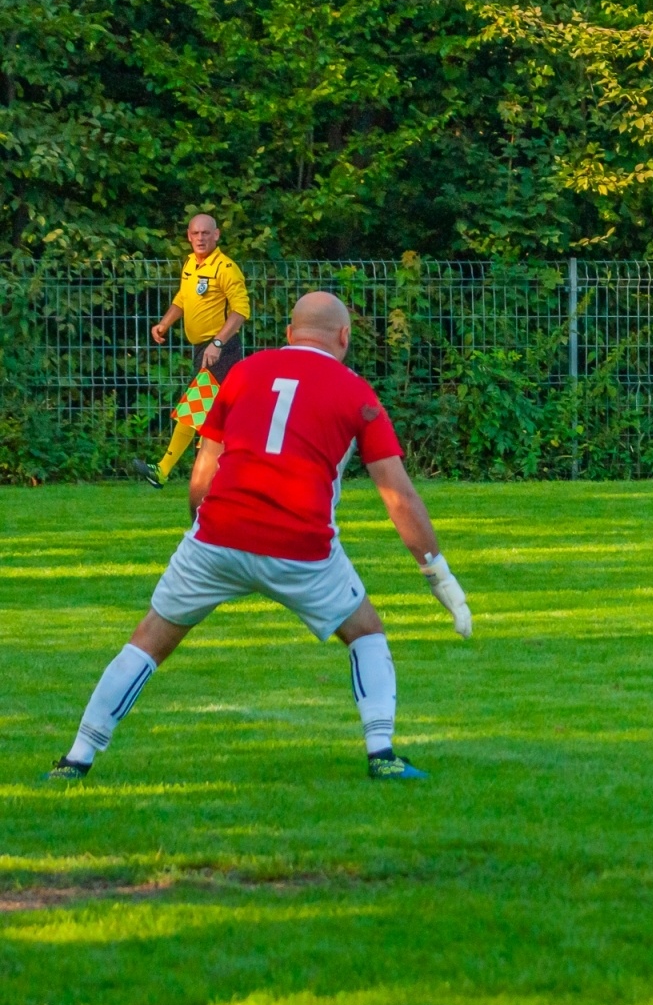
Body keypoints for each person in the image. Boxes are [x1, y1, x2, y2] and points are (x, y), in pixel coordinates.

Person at [50, 292, 470, 781]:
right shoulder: (357, 392)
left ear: (289, 334)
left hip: (218, 536)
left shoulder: (240, 373)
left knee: (147, 642)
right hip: (301, 547)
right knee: (365, 632)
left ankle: (76, 759)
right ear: (344, 337)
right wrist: (438, 575)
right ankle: (383, 755)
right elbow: (399, 496)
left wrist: (200, 536)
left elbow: (204, 470)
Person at [133, 214, 252, 488]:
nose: (200, 238)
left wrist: (218, 343)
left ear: (217, 235)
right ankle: (220, 474)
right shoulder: (190, 264)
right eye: (196, 233)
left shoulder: (226, 268)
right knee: (209, 414)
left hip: (222, 350)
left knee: (196, 409)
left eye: (206, 233)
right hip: (203, 349)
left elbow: (241, 311)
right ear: (188, 236)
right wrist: (165, 323)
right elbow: (183, 299)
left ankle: (164, 469)